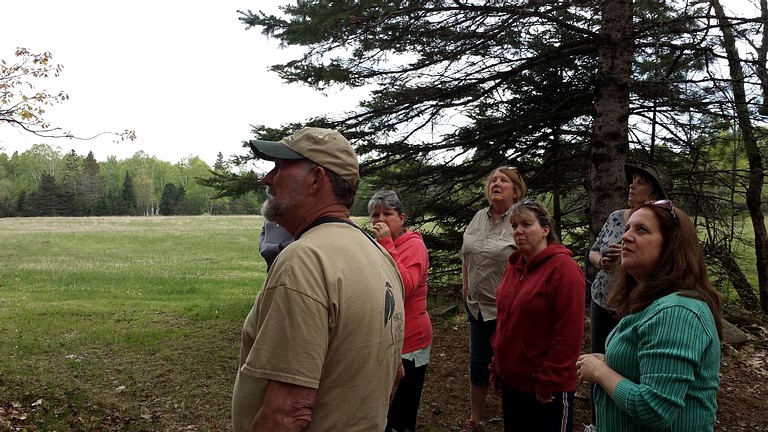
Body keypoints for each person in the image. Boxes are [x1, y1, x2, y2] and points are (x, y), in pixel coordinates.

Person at [232, 127, 406, 432]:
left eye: (281, 167)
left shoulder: (305, 260)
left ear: (316, 179)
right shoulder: (380, 256)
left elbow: (288, 414)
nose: (267, 179)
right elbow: (395, 375)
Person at [577, 201, 722, 432]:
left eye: (641, 230)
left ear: (671, 246)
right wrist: (610, 362)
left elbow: (654, 408)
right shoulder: (653, 303)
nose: (625, 237)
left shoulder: (677, 312)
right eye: (627, 230)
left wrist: (600, 372)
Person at [584, 163, 670, 430]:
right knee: (597, 357)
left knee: (626, 362)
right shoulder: (615, 217)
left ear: (654, 191)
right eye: (631, 181)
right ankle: (599, 421)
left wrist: (626, 255)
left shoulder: (660, 225)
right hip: (602, 299)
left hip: (633, 304)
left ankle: (627, 419)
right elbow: (593, 251)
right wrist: (602, 261)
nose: (631, 186)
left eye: (640, 182)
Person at [489, 199, 585, 432]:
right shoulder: (514, 266)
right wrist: (498, 367)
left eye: (526, 224)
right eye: (514, 225)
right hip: (513, 383)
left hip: (547, 389)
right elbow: (504, 322)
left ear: (545, 229)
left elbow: (569, 332)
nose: (518, 231)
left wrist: (549, 379)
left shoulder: (564, 269)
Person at [459, 166, 526, 432]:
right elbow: (467, 254)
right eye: (493, 180)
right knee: (478, 364)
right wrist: (465, 288)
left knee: (510, 366)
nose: (496, 184)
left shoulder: (521, 219)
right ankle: (476, 419)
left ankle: (515, 418)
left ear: (516, 190)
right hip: (477, 306)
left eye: (504, 181)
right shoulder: (478, 217)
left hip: (508, 311)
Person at [368, 190, 433, 432]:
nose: (380, 220)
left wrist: (386, 244)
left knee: (402, 415)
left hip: (410, 340)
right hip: (385, 338)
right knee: (382, 411)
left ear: (402, 218)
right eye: (375, 215)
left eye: (388, 214)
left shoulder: (414, 246)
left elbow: (404, 287)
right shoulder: (374, 245)